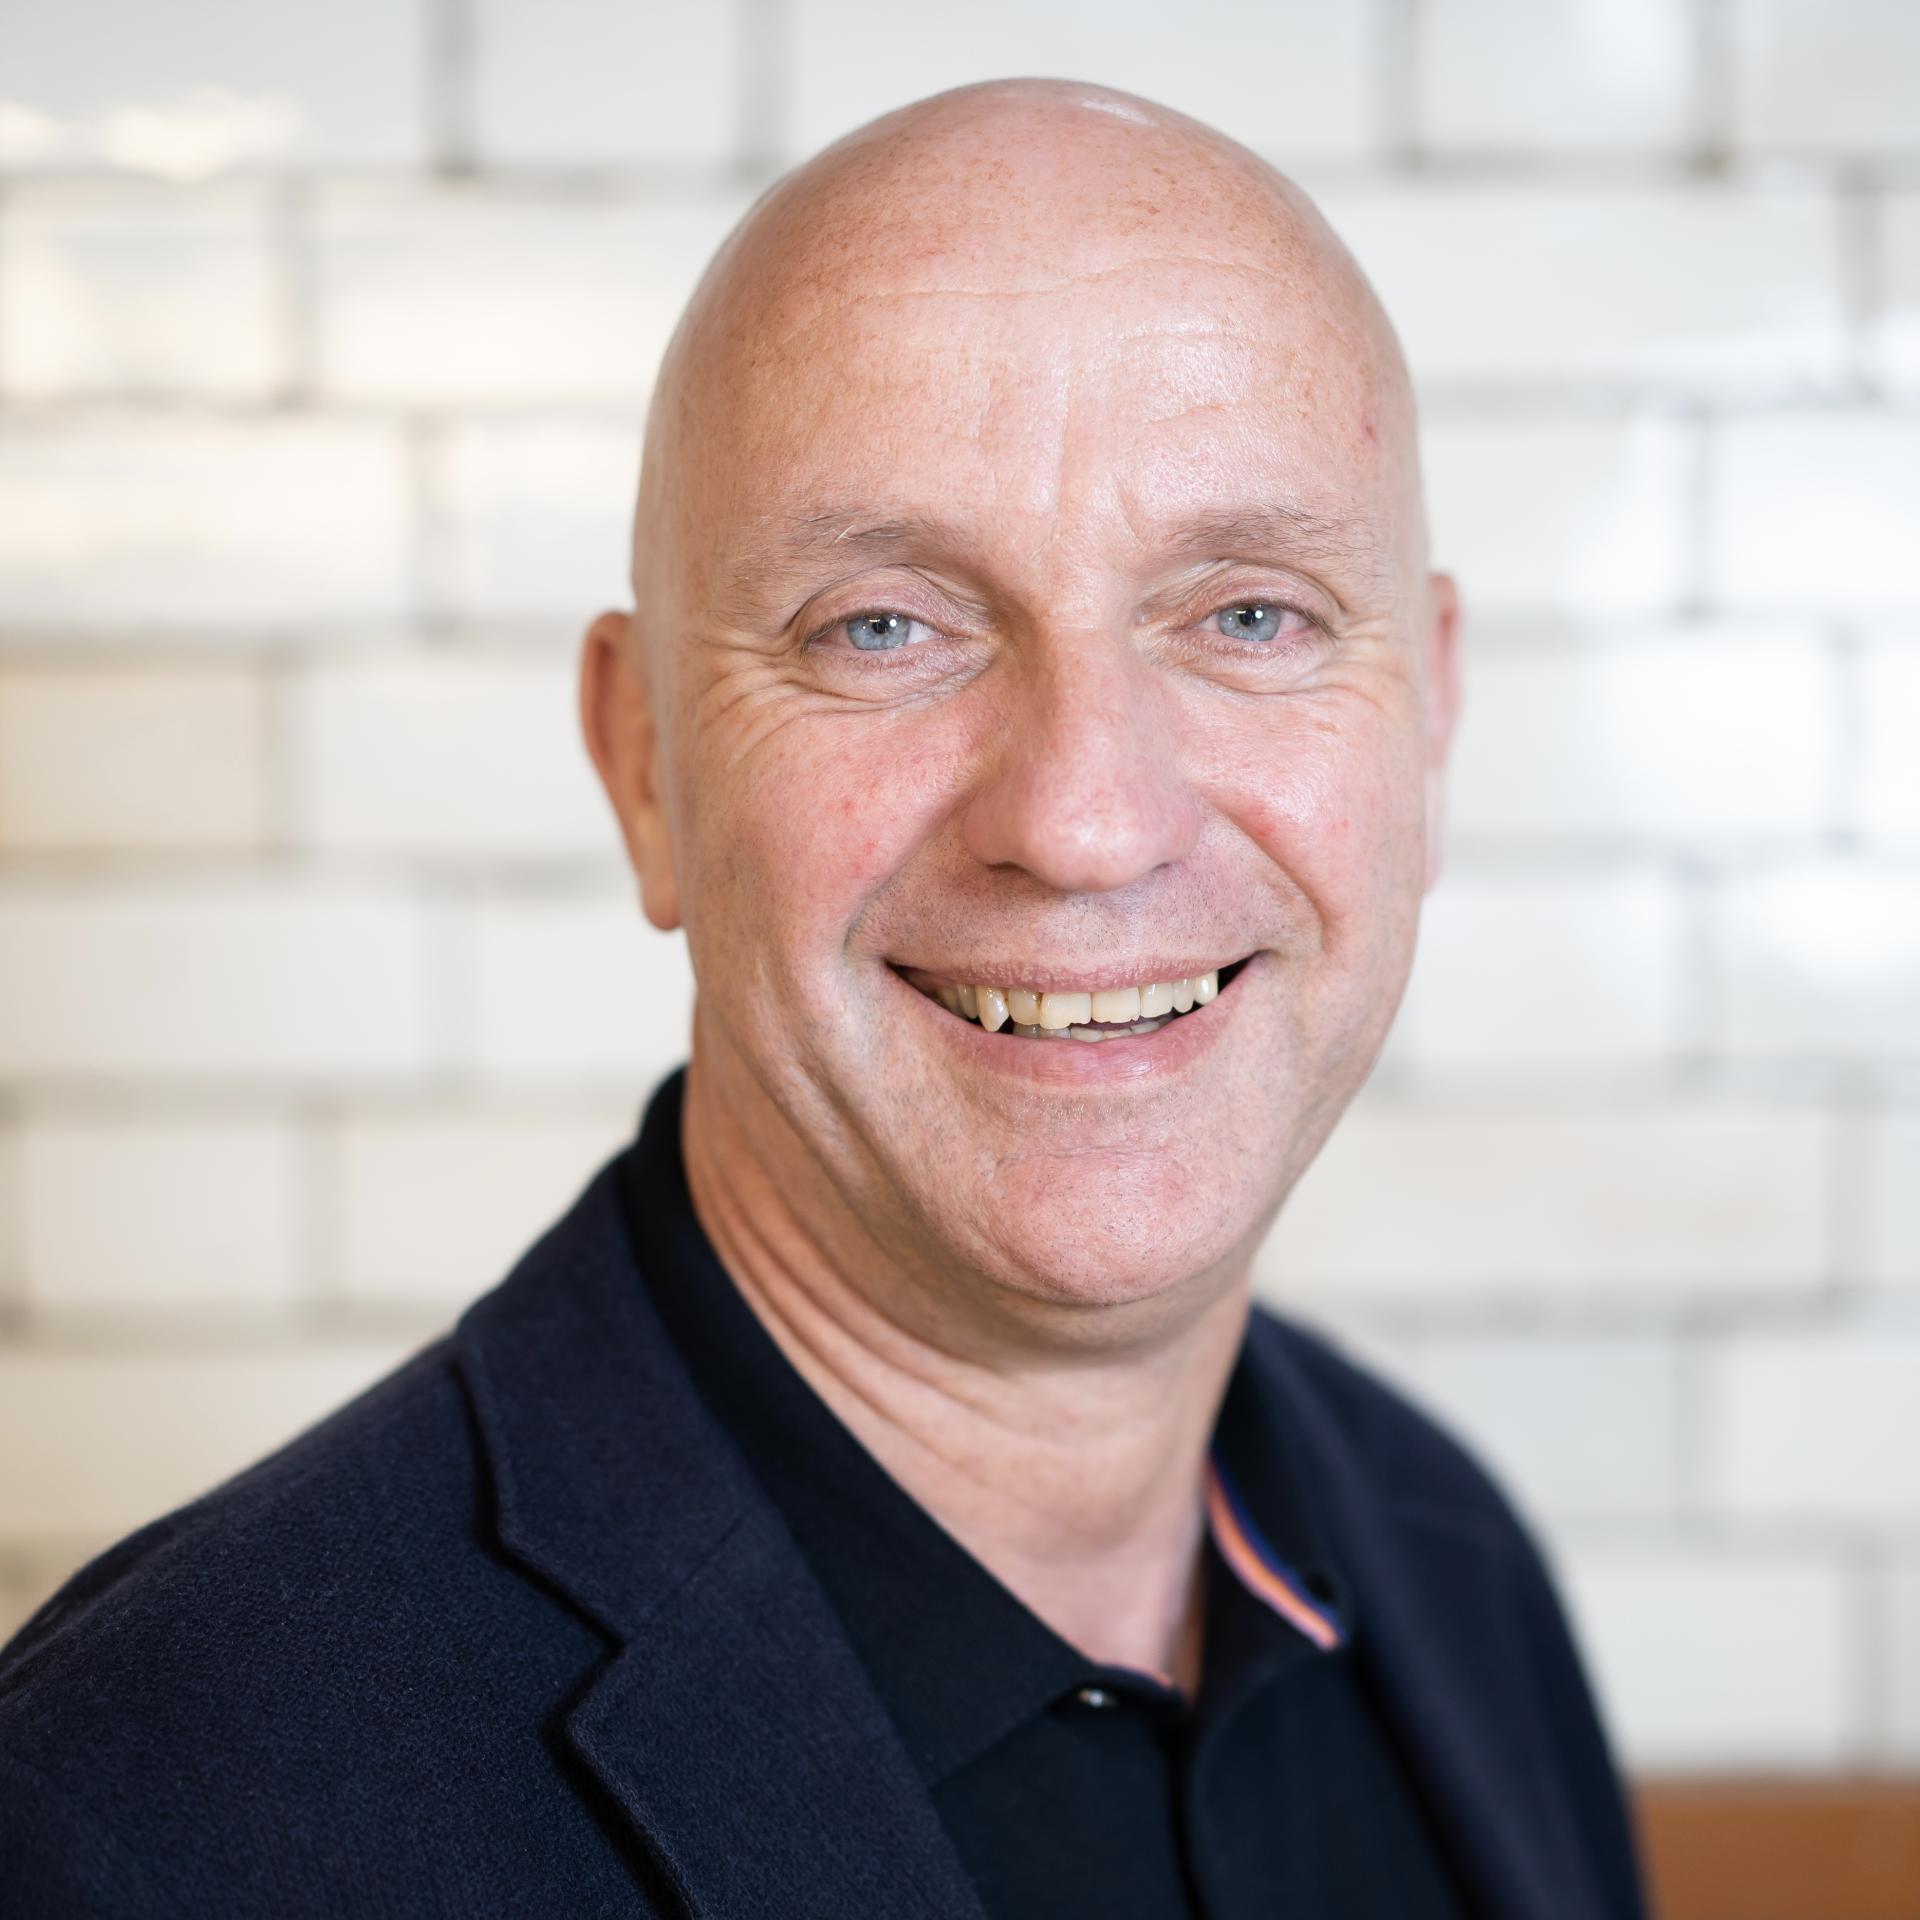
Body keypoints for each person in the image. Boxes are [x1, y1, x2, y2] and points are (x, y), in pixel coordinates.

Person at [0, 79, 1647, 1918]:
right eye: (884, 626)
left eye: (1249, 615)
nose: (1087, 821)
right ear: (645, 766)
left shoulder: (1449, 1568)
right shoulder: (152, 1815)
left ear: (1428, 726)